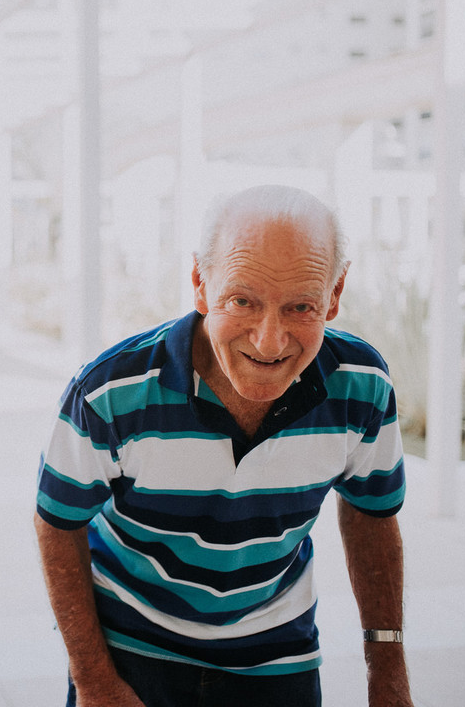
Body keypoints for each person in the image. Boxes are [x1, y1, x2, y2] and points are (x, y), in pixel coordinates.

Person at [35, 184, 412, 707]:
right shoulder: (108, 392)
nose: (269, 341)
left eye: (301, 306)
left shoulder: (363, 385)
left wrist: (387, 673)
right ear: (199, 283)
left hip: (277, 652)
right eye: (242, 301)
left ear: (334, 294)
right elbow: (58, 524)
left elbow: (373, 515)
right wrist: (94, 680)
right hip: (129, 642)